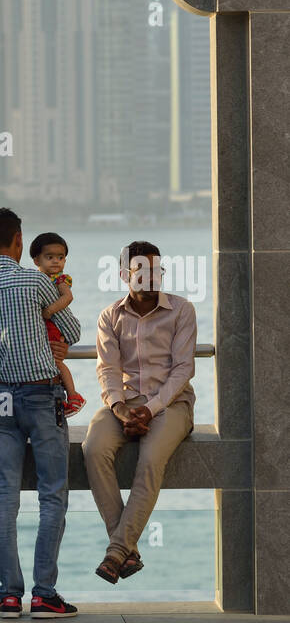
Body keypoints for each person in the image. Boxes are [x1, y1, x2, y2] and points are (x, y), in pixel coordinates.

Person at [0, 208, 81, 619]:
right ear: (18, 241)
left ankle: (9, 596)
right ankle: (45, 594)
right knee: (52, 495)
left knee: (4, 499)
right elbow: (72, 331)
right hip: (41, 395)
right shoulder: (36, 280)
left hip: (2, 399)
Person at [84, 240, 196, 585]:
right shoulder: (110, 316)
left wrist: (149, 410)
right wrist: (119, 408)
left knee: (150, 460)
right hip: (124, 403)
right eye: (141, 272)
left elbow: (182, 370)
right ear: (124, 275)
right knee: (93, 448)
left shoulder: (181, 310)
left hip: (172, 403)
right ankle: (126, 550)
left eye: (156, 271)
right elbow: (107, 369)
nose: (151, 278)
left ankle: (116, 552)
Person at [29, 232, 86, 417]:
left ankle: (74, 396)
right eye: (50, 257)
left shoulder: (59, 279)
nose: (56, 262)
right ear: (37, 260)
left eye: (60, 258)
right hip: (44, 327)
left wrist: (49, 311)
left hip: (52, 326)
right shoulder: (34, 279)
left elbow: (68, 297)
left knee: (56, 361)